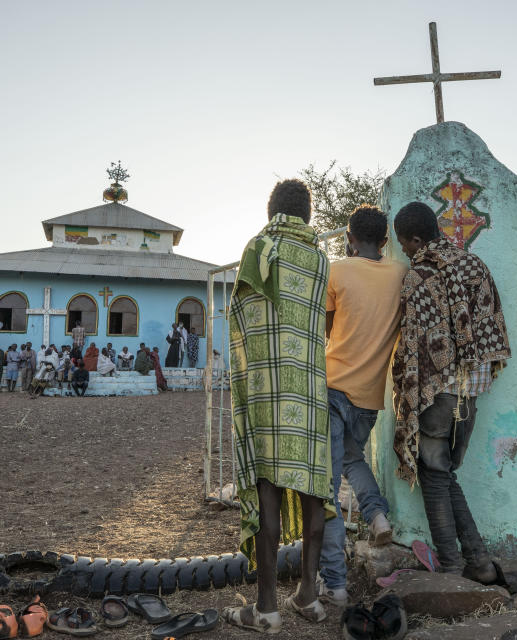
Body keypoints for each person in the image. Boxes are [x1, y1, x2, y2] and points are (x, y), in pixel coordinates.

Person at [222, 179, 332, 633]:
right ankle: (308, 594)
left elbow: (241, 314)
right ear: (307, 214)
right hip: (310, 388)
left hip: (269, 388)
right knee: (313, 489)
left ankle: (265, 607)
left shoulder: (261, 246)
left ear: (271, 212)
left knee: (266, 485)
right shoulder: (322, 258)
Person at [391, 201, 512, 585]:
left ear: (414, 239)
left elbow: (414, 348)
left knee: (435, 476)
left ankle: (451, 565)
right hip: (470, 396)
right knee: (445, 475)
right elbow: (493, 323)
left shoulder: (419, 278)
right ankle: (478, 561)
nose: (405, 253)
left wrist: (410, 397)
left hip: (437, 397)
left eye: (404, 245)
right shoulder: (474, 265)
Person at [318, 205, 408, 605]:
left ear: (349, 238)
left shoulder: (337, 271)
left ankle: (334, 584)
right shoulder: (399, 274)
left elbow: (326, 327)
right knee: (353, 458)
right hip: (370, 397)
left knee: (326, 487)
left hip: (334, 386)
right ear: (386, 241)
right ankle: (376, 514)